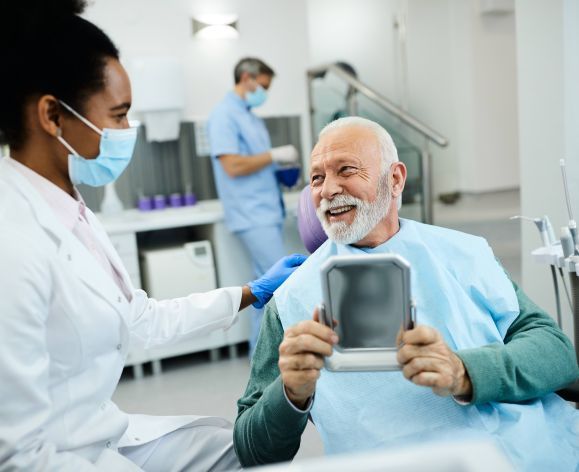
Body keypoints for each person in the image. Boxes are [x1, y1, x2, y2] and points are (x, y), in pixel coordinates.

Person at [0, 2, 305, 470]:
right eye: (119, 115)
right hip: (67, 457)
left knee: (243, 447)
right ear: (52, 116)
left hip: (104, 432)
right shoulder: (14, 244)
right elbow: (20, 457)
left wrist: (249, 294)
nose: (129, 131)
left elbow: (140, 317)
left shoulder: (68, 208)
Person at [233, 117, 579, 470]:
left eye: (346, 170)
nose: (329, 189)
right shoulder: (292, 300)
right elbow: (251, 452)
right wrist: (290, 393)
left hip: (527, 453)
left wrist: (465, 372)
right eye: (317, 178)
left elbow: (558, 355)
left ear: (395, 179)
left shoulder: (462, 254)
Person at [207, 57, 300, 354]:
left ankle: (267, 358)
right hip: (251, 213)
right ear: (246, 77)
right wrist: (273, 156)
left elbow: (254, 163)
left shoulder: (250, 116)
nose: (265, 93)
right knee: (272, 287)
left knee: (266, 289)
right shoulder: (224, 115)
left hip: (266, 209)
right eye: (263, 86)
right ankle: (265, 360)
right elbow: (232, 165)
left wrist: (280, 171)